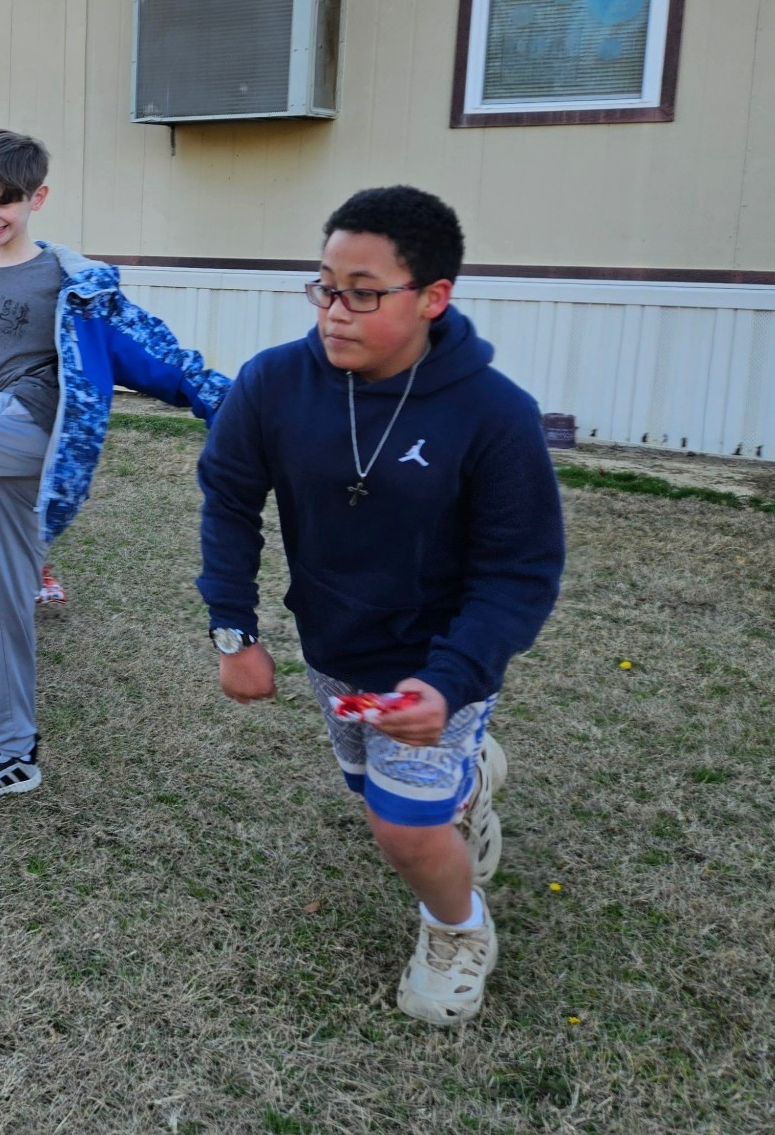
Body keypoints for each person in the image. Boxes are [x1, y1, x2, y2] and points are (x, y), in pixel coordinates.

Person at [196, 185, 564, 1026]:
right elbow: (227, 498)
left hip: (440, 664)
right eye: (324, 286)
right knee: (369, 792)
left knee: (400, 831)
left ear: (434, 297)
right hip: (335, 644)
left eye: (364, 292)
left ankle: (459, 926)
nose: (335, 311)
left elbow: (521, 571)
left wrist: (453, 681)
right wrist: (233, 629)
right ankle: (467, 782)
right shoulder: (275, 384)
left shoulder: (495, 415)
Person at [0, 130, 231, 804]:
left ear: (38, 197)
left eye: (6, 200)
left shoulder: (72, 280)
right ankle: (15, 752)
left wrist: (228, 403)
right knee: (8, 609)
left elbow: (152, 354)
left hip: (31, 429)